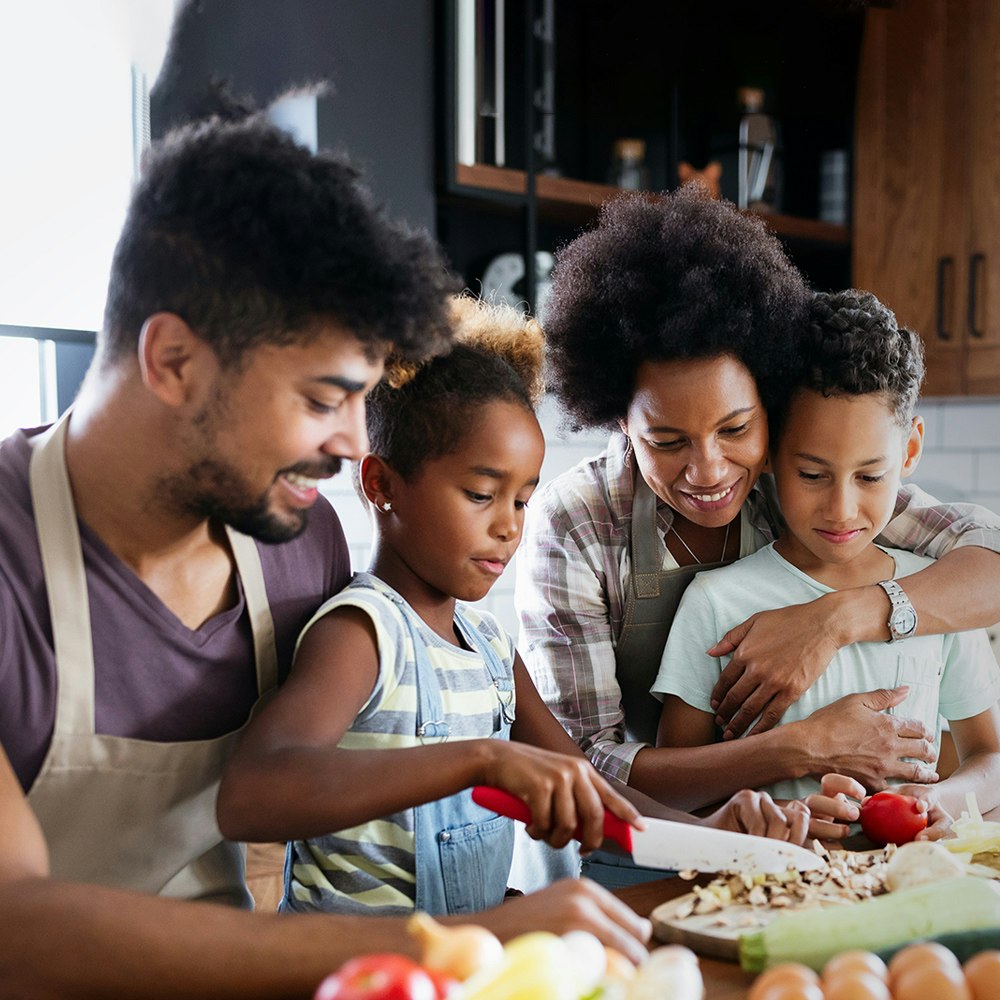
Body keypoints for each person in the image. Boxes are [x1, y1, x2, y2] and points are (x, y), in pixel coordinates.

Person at [0, 112, 652, 1000]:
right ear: (174, 360)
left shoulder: (299, 542)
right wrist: (456, 943)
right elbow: (16, 928)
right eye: (322, 398)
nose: (353, 445)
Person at [217, 294, 811, 918]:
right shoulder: (363, 634)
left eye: (522, 500)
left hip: (461, 967)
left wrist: (713, 833)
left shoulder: (490, 648)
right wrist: (481, 759)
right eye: (481, 494)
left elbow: (591, 788)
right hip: (355, 973)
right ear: (381, 484)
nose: (509, 527)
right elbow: (251, 795)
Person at [515, 189, 1000, 885]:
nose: (708, 471)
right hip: (619, 853)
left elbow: (988, 554)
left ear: (768, 416)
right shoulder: (578, 524)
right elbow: (585, 766)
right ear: (620, 418)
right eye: (667, 440)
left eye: (735, 429)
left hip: (780, 860)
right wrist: (796, 749)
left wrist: (834, 620)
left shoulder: (809, 485)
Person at [652, 289, 1000, 838]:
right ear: (767, 452)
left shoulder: (933, 593)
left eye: (870, 476)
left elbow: (989, 757)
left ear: (910, 451)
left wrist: (942, 800)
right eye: (812, 475)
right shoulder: (718, 602)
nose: (841, 509)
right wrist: (769, 819)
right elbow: (673, 792)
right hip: (767, 890)